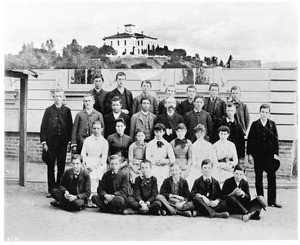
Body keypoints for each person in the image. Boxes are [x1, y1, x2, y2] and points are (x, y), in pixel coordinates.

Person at [247, 104, 281, 208]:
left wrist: (276, 154)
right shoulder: (254, 124)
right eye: (262, 112)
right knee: (259, 178)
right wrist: (249, 155)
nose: (264, 114)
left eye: (266, 112)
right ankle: (261, 200)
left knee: (272, 178)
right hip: (258, 156)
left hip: (270, 156)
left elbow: (276, 140)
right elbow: (249, 140)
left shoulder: (272, 124)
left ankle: (272, 201)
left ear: (269, 113)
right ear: (259, 112)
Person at [40, 89, 73, 197]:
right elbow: (43, 127)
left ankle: (59, 189)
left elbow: (70, 127)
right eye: (56, 96)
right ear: (54, 97)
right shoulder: (48, 110)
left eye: (60, 96)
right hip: (51, 143)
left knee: (61, 166)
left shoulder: (67, 110)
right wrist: (44, 142)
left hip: (62, 143)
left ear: (63, 97)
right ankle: (51, 189)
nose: (58, 98)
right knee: (50, 166)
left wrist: (69, 142)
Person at [81, 121, 108, 206]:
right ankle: (85, 198)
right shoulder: (87, 140)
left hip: (98, 163)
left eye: (98, 128)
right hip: (88, 161)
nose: (96, 130)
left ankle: (93, 198)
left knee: (95, 174)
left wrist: (93, 167)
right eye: (94, 128)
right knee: (83, 173)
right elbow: (83, 154)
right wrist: (84, 164)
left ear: (102, 129)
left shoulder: (104, 142)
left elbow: (103, 159)